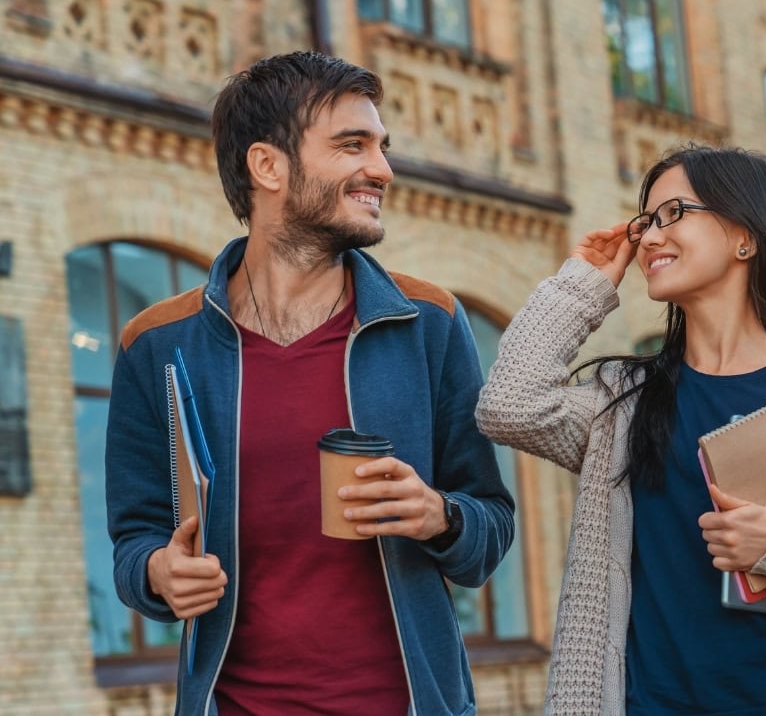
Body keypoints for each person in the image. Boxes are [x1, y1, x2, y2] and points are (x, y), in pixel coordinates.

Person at [106, 51, 515, 715]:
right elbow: (135, 538)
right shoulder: (157, 344)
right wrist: (159, 572)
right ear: (267, 166)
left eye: (382, 147)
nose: (380, 169)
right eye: (352, 145)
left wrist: (439, 515)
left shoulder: (428, 323)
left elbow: (490, 529)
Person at [476, 144, 766, 714]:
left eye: (674, 214)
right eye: (647, 221)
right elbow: (507, 405)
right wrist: (583, 285)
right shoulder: (623, 402)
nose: (651, 238)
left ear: (744, 236)